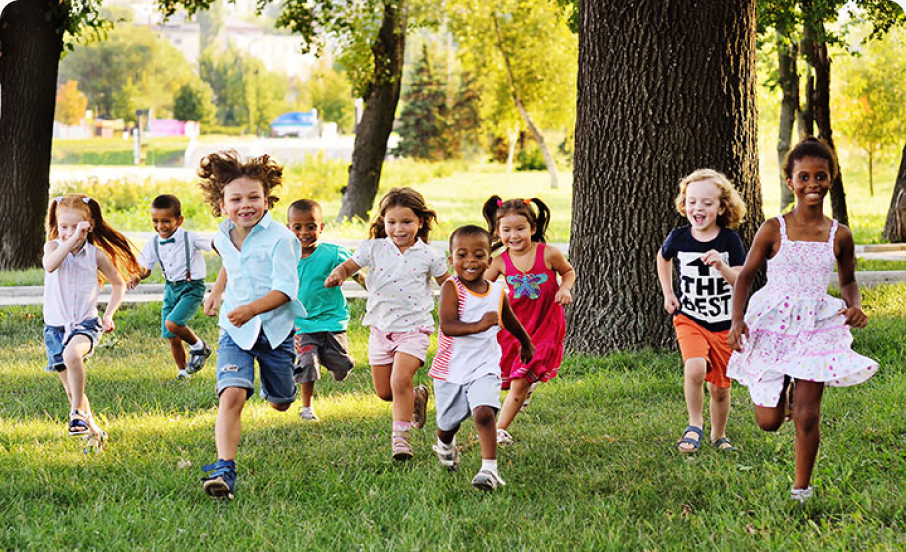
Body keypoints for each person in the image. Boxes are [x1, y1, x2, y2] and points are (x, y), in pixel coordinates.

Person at [727, 137, 879, 502]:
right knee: (769, 422)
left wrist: (853, 305)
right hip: (773, 322)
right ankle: (784, 389)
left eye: (821, 176)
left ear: (831, 179)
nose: (813, 184)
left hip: (816, 326)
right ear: (790, 182)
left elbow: (848, 280)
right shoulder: (774, 228)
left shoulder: (838, 235)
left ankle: (801, 489)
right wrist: (737, 320)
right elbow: (746, 275)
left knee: (808, 416)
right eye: (804, 177)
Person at [197, 150, 306, 500]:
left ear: (267, 199)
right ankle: (224, 469)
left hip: (274, 330)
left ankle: (279, 389)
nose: (246, 205)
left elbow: (286, 290)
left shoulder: (282, 239)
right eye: (236, 199)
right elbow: (233, 262)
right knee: (231, 395)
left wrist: (250, 309)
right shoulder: (223, 233)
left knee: (282, 401)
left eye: (254, 197)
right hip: (235, 331)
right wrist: (217, 292)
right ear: (221, 202)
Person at [326, 187, 450, 460]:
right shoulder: (374, 248)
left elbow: (449, 285)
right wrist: (339, 273)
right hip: (381, 329)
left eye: (406, 222)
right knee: (385, 392)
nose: (398, 228)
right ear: (383, 221)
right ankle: (416, 396)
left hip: (414, 329)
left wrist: (463, 308)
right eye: (391, 222)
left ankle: (401, 440)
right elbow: (350, 266)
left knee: (399, 378)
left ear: (420, 221)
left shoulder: (429, 255)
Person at [430, 225, 534, 491]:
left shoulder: (497, 291)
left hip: (485, 366)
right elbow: (448, 325)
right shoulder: (451, 288)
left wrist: (526, 343)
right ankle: (444, 444)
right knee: (447, 424)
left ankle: (489, 470)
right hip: (450, 369)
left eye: (478, 255)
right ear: (451, 260)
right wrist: (478, 325)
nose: (470, 262)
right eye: (462, 255)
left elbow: (509, 320)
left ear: (490, 259)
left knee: (484, 413)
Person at [656, 169, 747, 454]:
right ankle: (694, 424)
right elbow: (663, 258)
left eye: (707, 203)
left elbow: (742, 280)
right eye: (692, 201)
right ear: (684, 205)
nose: (699, 208)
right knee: (694, 368)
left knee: (720, 389)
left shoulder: (729, 241)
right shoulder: (679, 237)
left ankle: (719, 436)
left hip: (723, 324)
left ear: (721, 207)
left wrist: (721, 266)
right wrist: (668, 293)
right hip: (690, 318)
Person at [42, 194, 144, 447]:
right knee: (71, 389)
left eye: (76, 226)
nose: (68, 232)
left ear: (90, 225)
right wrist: (71, 240)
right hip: (55, 327)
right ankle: (94, 431)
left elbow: (118, 284)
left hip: (85, 323)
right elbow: (50, 266)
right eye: (63, 226)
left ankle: (76, 413)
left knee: (72, 356)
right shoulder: (53, 247)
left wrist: (108, 314)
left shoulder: (95, 255)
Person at [482, 196, 575, 445]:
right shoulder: (500, 261)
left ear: (533, 229)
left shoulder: (548, 254)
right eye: (507, 230)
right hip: (515, 326)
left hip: (545, 325)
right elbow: (483, 287)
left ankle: (499, 429)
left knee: (520, 378)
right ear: (498, 231)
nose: (514, 235)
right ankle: (523, 390)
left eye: (520, 229)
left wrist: (564, 288)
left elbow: (568, 272)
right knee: (509, 375)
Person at [287, 199, 362, 421]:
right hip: (303, 323)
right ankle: (307, 408)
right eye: (297, 227)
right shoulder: (285, 258)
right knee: (307, 362)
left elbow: (357, 273)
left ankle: (334, 363)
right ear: (288, 228)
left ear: (321, 227)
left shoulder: (333, 253)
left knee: (342, 367)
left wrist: (374, 289)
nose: (304, 232)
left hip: (332, 321)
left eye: (311, 226)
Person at [135, 194, 212, 380]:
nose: (160, 226)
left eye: (166, 221)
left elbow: (213, 244)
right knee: (172, 335)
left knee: (173, 323)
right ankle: (184, 372)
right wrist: (136, 276)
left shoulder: (189, 237)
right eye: (155, 221)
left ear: (179, 220)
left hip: (191, 288)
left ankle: (199, 346)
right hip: (171, 289)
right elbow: (145, 268)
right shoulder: (153, 242)